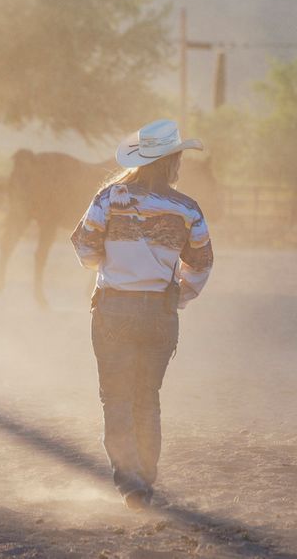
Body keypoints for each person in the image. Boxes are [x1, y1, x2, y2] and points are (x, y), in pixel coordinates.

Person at [70, 119, 213, 510]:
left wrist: (108, 260)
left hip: (114, 306)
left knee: (115, 397)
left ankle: (131, 482)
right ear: (172, 161)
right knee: (146, 396)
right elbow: (200, 263)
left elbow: (83, 247)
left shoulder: (108, 198)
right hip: (159, 312)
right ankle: (145, 476)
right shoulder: (186, 208)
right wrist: (180, 295)